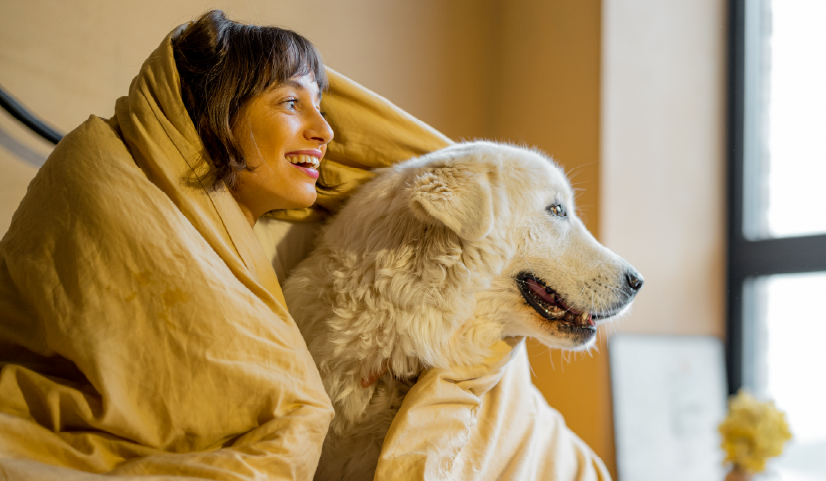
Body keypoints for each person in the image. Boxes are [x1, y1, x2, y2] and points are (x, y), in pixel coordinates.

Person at [0, 10, 610, 481]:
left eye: (320, 105)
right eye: (292, 103)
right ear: (216, 112)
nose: (324, 132)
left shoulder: (287, 235)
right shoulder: (114, 182)